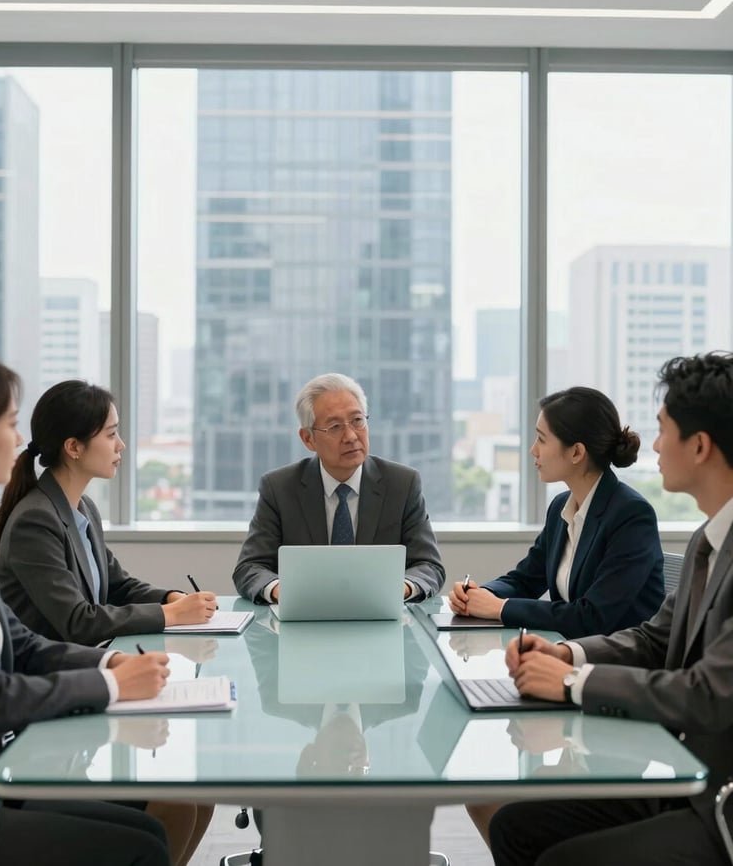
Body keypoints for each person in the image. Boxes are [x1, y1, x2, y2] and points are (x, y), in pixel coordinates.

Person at [490, 352, 733, 866]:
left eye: (664, 429)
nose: (655, 444)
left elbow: (709, 693)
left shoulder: (663, 525)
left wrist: (571, 683)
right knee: (515, 825)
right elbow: (652, 639)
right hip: (681, 770)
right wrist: (568, 655)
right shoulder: (705, 543)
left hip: (718, 802)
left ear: (700, 445)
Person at [0, 378, 215, 866]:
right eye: (111, 434)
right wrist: (168, 616)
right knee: (176, 803)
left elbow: (115, 584)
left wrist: (172, 598)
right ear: (74, 447)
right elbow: (78, 619)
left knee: (200, 794)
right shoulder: (35, 519)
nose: (122, 445)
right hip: (51, 710)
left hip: (83, 684)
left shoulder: (79, 506)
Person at [0, 350, 171, 866]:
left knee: (150, 828)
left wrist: (111, 663)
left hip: (7, 753)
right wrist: (113, 684)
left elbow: (23, 644)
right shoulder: (32, 519)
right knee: (144, 841)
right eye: (11, 425)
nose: (19, 441)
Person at [448, 386, 664, 639]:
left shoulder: (631, 515)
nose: (533, 450)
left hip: (620, 665)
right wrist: (478, 595)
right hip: (571, 653)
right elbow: (525, 580)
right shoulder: (561, 507)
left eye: (541, 439)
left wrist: (499, 608)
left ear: (576, 452)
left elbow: (593, 617)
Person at [233, 372, 445, 603]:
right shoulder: (280, 488)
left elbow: (429, 565)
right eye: (335, 427)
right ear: (308, 439)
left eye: (357, 421)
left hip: (381, 619)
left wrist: (401, 588)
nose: (351, 436)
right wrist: (280, 590)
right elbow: (250, 567)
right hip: (305, 621)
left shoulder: (402, 484)